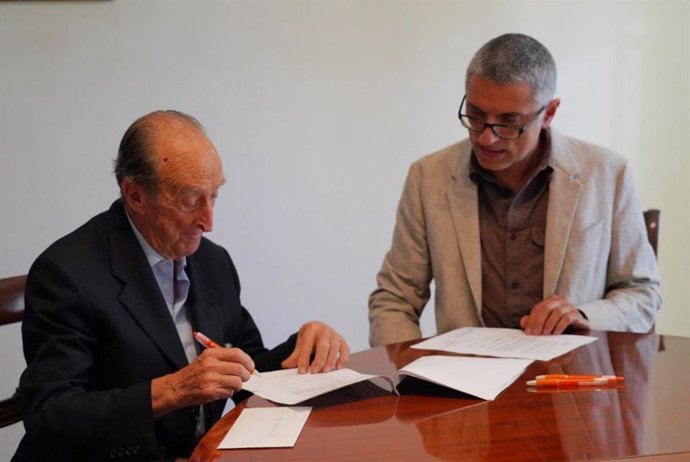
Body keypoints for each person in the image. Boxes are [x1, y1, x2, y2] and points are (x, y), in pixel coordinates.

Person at [13, 110, 350, 461]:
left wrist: (303, 348)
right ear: (135, 195)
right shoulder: (67, 273)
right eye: (190, 200)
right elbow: (50, 414)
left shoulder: (213, 262)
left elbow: (248, 369)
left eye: (214, 196)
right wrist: (171, 390)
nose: (208, 222)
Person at [369, 33, 660, 347]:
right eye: (476, 115)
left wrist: (585, 316)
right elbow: (394, 300)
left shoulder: (608, 174)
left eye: (508, 122)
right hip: (463, 380)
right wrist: (407, 377)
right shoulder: (428, 177)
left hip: (572, 382)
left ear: (548, 113)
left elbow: (641, 294)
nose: (486, 138)